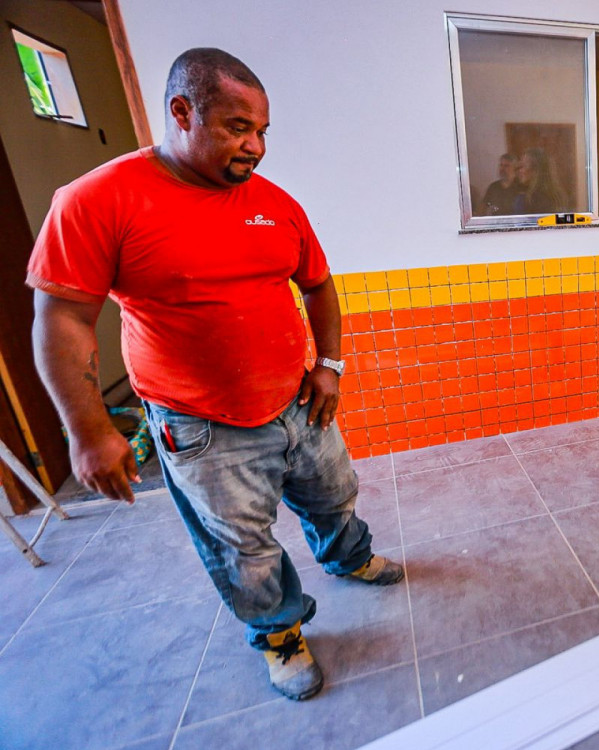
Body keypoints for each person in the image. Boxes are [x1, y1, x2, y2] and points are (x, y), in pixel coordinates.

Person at [26, 48, 404, 702]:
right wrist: (88, 432)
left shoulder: (276, 205)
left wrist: (330, 366)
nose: (255, 146)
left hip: (297, 402)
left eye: (262, 131)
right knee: (243, 550)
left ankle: (348, 557)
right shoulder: (97, 200)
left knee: (335, 492)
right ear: (182, 112)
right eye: (237, 127)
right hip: (200, 426)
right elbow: (62, 320)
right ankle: (280, 633)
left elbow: (318, 285)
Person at [512, 147, 565, 214]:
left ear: (535, 171)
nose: (520, 171)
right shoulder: (557, 196)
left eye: (523, 166)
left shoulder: (525, 200)